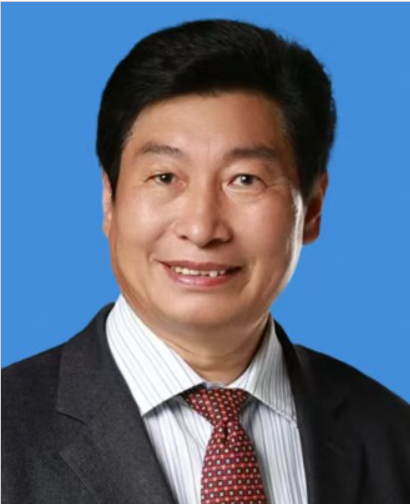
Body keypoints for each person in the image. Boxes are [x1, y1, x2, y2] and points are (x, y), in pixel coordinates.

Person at [2, 19, 409, 504]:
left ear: (313, 209)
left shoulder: (392, 435)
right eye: (165, 177)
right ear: (109, 200)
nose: (201, 228)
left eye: (245, 180)